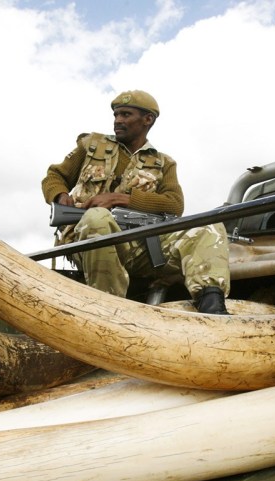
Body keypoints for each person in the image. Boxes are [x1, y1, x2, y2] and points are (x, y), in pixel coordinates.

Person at [42, 90, 231, 314]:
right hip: (87, 240)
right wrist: (60, 196)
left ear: (147, 119)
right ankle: (108, 310)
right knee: (97, 218)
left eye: (125, 114)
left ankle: (212, 307)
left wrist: (121, 199)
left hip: (139, 245)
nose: (117, 120)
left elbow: (174, 204)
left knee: (209, 225)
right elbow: (55, 176)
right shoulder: (91, 145)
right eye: (116, 115)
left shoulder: (163, 163)